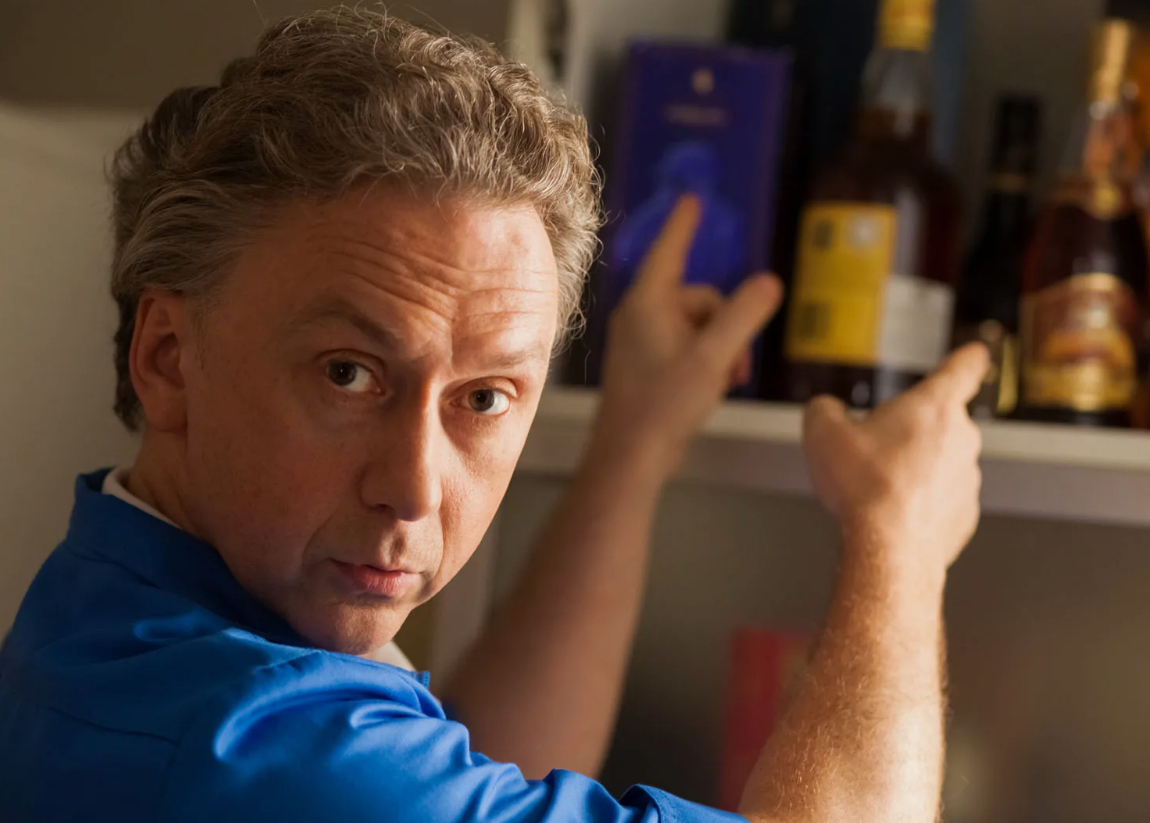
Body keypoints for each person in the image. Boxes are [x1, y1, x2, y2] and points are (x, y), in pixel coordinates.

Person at [0, 8, 987, 823]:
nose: (414, 486)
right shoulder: (253, 741)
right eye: (348, 374)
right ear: (168, 357)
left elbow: (484, 761)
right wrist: (898, 539)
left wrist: (634, 443)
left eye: (482, 397)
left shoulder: (119, 615)